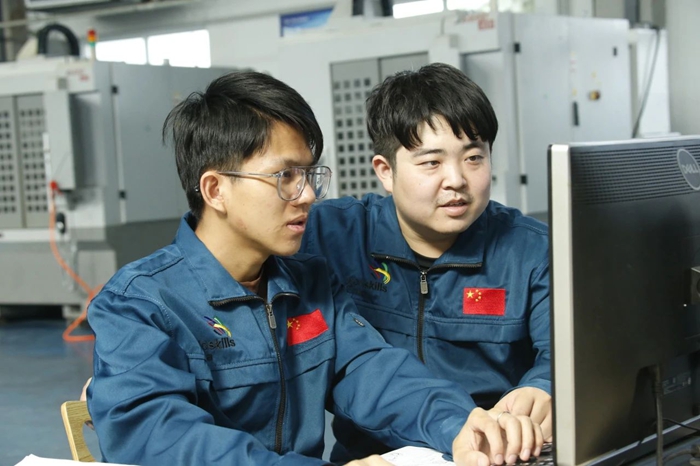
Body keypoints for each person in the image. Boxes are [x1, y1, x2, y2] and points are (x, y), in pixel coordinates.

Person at [84, 70, 543, 466]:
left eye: (308, 175)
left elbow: (371, 371)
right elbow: (162, 439)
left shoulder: (306, 284)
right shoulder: (140, 304)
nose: (306, 195)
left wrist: (460, 425)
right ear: (215, 189)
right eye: (285, 176)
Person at [299, 63, 552, 463]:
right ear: (385, 171)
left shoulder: (531, 251)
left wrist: (544, 387)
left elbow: (566, 353)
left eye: (474, 157)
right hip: (375, 457)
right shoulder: (332, 235)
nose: (457, 180)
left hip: (494, 451)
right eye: (432, 163)